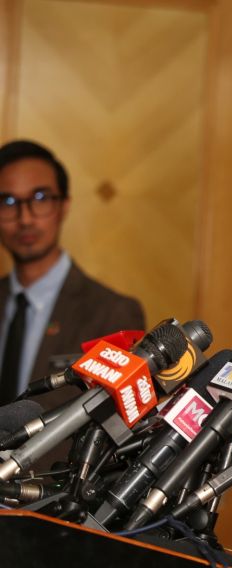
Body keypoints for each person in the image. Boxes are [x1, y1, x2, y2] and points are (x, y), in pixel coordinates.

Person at [0, 139, 144, 408]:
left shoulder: (113, 314)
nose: (25, 218)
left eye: (40, 198)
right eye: (8, 202)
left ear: (63, 206)